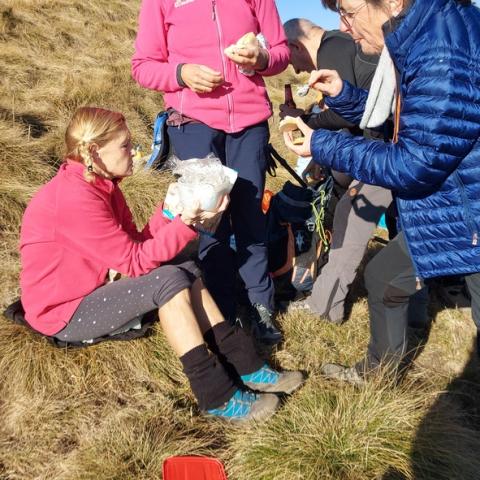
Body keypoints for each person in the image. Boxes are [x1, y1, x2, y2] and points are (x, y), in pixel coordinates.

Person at [19, 107, 304, 420]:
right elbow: (135, 262)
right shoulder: (75, 198)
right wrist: (186, 224)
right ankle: (215, 394)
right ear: (93, 151)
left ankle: (245, 363)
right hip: (63, 312)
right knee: (169, 280)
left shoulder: (102, 186)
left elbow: (136, 245)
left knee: (187, 267)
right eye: (125, 146)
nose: (134, 152)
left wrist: (170, 211)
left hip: (90, 288)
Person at [283, 0, 480, 382]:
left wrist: (324, 145)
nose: (345, 27)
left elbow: (413, 163)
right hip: (457, 202)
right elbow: (405, 119)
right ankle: (378, 376)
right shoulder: (426, 31)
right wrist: (344, 94)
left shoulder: (440, 45)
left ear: (391, 1)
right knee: (385, 277)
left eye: (350, 12)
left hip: (467, 208)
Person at [131, 0, 290, 345]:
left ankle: (261, 306)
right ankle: (222, 312)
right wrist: (180, 74)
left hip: (250, 125)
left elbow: (280, 52)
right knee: (208, 220)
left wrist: (261, 59)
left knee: (251, 216)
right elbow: (142, 66)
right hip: (193, 124)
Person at [281, 19, 403, 325]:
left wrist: (307, 127)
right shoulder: (344, 45)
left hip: (382, 155)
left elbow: (350, 119)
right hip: (390, 149)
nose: (296, 70)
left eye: (291, 59)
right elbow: (367, 106)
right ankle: (415, 309)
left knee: (349, 224)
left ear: (296, 45)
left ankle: (324, 308)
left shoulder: (331, 49)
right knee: (404, 230)